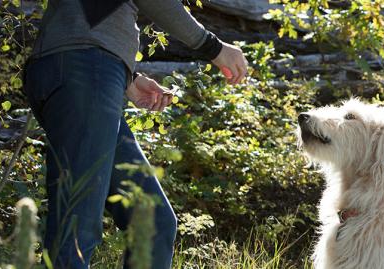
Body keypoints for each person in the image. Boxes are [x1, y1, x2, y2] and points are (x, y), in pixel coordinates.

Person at [22, 0, 248, 268]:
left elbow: (90, 14)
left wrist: (128, 77)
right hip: (85, 69)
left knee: (153, 221)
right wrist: (214, 48)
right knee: (77, 224)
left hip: (85, 71)